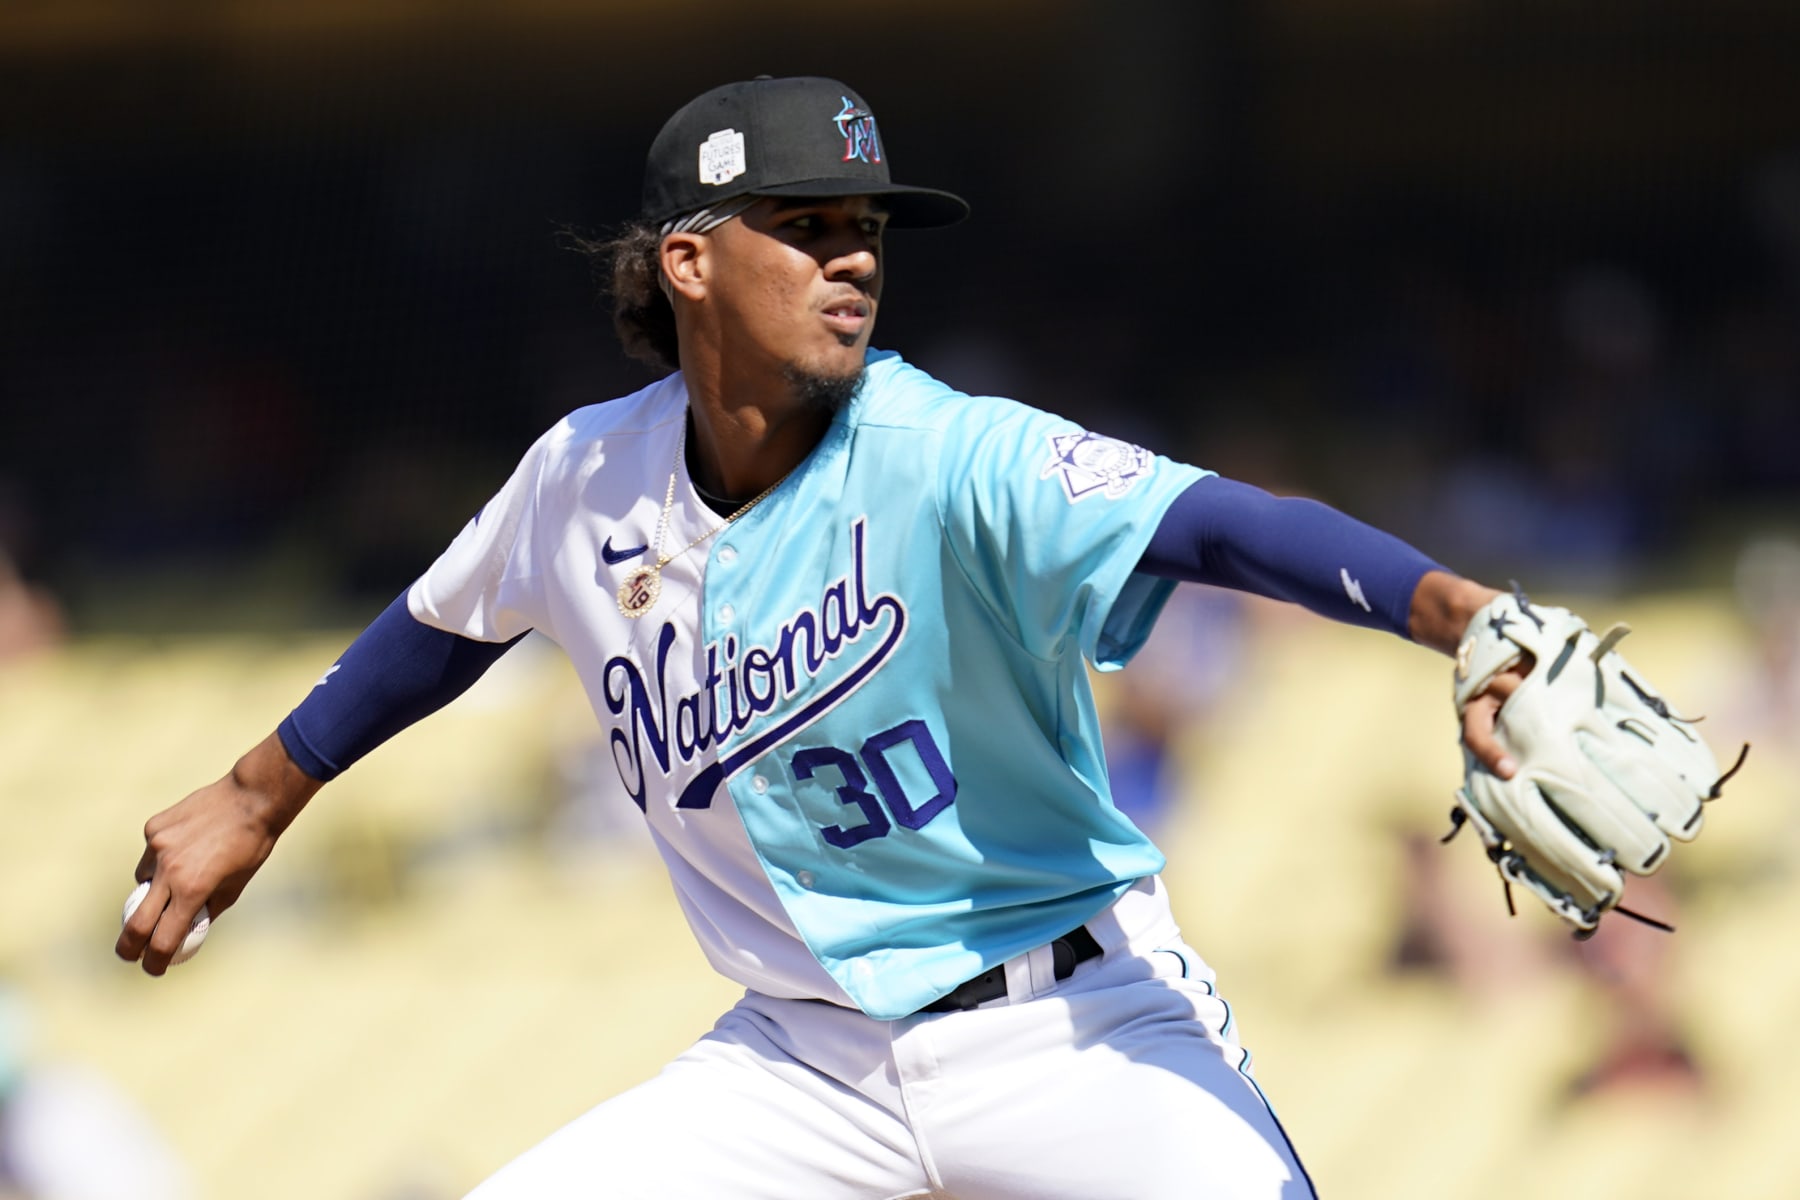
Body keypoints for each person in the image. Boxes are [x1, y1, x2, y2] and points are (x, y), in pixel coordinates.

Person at [117, 76, 1529, 1198]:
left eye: (866, 229)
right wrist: (259, 793)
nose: (854, 257)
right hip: (799, 1063)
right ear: (687, 260)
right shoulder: (581, 479)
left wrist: (1459, 616)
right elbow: (437, 631)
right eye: (806, 226)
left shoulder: (951, 452)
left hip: (1074, 1025)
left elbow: (1220, 526)